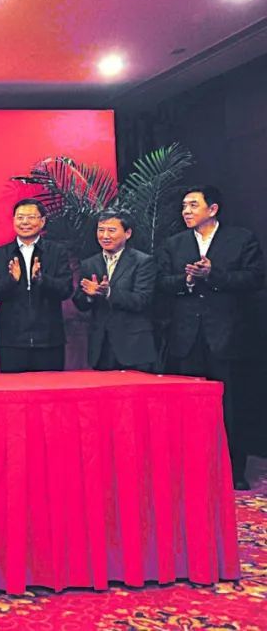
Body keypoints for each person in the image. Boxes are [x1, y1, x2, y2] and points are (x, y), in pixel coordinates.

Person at [157, 185, 265, 490]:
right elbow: (162, 283)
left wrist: (213, 275)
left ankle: (234, 471)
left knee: (231, 406)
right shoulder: (174, 244)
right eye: (184, 206)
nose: (186, 211)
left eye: (193, 205)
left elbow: (255, 278)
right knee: (189, 408)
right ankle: (192, 471)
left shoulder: (241, 239)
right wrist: (187, 280)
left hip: (226, 337)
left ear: (213, 209)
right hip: (186, 338)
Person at [0, 198, 72, 372]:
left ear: (42, 221)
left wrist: (42, 279)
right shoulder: (1, 253)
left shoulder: (56, 252)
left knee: (50, 387)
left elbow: (66, 289)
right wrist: (11, 280)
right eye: (20, 217)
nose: (25, 222)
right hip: (12, 342)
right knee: (14, 388)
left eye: (31, 217)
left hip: (49, 341)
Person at [72, 209, 157, 372]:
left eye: (111, 230)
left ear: (127, 233)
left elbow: (142, 300)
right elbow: (80, 303)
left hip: (133, 346)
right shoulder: (89, 263)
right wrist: (89, 296)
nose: (105, 236)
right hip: (101, 347)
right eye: (101, 230)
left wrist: (109, 293)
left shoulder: (143, 262)